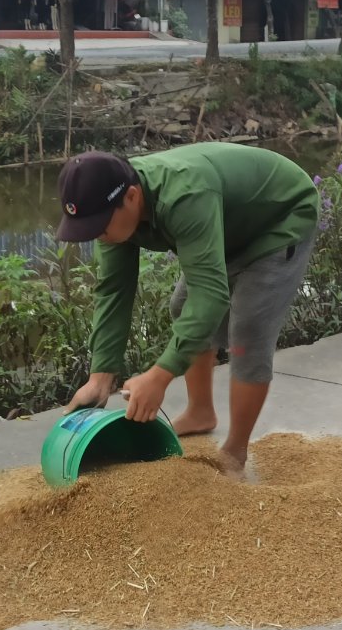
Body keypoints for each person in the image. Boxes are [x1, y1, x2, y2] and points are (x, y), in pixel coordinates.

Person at [55, 144, 320, 474]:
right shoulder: (111, 210)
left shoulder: (183, 196)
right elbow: (113, 292)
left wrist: (160, 375)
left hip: (279, 216)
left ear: (133, 198)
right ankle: (200, 412)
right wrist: (100, 377)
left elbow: (210, 295)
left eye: (100, 226)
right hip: (227, 221)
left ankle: (235, 450)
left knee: (248, 332)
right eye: (88, 229)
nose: (98, 236)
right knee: (183, 307)